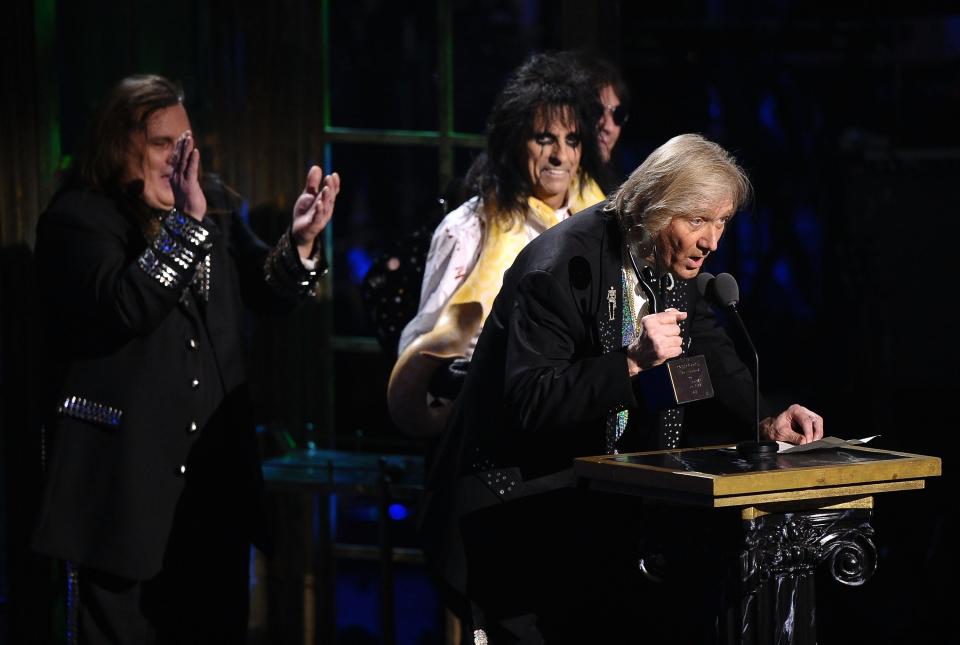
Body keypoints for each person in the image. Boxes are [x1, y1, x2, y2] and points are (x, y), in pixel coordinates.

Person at [419, 134, 823, 643]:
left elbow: (712, 355)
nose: (712, 241)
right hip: (506, 513)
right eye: (697, 220)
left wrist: (765, 420)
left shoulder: (669, 261)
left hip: (590, 512)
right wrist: (631, 363)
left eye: (721, 222)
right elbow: (530, 400)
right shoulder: (560, 266)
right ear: (656, 207)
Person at [31, 74, 340, 642]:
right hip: (123, 498)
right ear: (116, 145)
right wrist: (185, 228)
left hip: (210, 491)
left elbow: (265, 289)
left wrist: (298, 246)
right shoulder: (78, 220)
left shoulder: (211, 202)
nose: (179, 157)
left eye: (185, 141)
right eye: (159, 144)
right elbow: (128, 308)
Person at [388, 51, 606, 437]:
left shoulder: (602, 222)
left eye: (571, 140)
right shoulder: (468, 227)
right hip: (493, 426)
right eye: (544, 139)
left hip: (582, 413)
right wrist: (460, 380)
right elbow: (419, 341)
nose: (560, 155)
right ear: (516, 140)